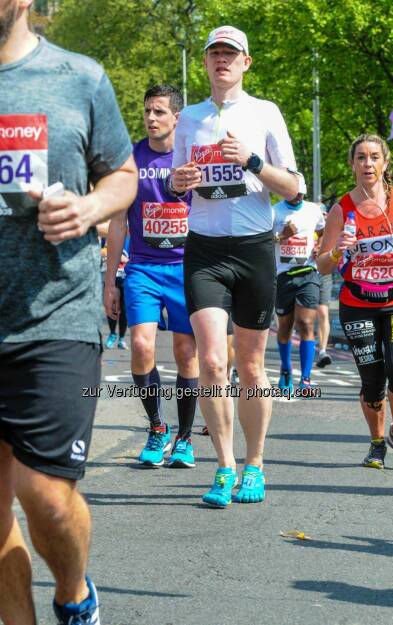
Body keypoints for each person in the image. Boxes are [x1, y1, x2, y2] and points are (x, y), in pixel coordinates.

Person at [0, 3, 137, 624]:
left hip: (54, 311)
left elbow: (124, 176)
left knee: (46, 495)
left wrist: (86, 210)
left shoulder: (78, 78)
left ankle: (75, 594)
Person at [169, 25, 301, 507]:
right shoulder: (189, 118)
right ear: (205, 63)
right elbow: (177, 183)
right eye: (214, 54)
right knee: (211, 359)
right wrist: (178, 182)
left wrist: (250, 161)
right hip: (204, 250)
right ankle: (223, 466)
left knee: (249, 365)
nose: (221, 60)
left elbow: (293, 188)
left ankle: (255, 464)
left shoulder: (264, 112)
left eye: (231, 53)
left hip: (254, 249)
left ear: (246, 62)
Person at [105, 85, 199, 469]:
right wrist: (110, 279)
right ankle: (157, 427)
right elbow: (117, 223)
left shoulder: (193, 157)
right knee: (141, 345)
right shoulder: (130, 157)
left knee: (185, 353)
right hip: (143, 267)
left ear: (177, 116)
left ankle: (186, 438)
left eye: (160, 111)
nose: (151, 118)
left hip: (186, 267)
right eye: (147, 111)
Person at [317, 133, 393, 470]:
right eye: (361, 157)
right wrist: (338, 251)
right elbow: (322, 264)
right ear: (352, 165)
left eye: (374, 157)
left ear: (385, 163)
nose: (368, 163)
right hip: (358, 302)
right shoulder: (341, 209)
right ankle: (376, 443)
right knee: (373, 381)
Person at [273, 183, 325, 392]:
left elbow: (323, 232)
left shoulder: (313, 210)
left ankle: (305, 378)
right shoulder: (274, 211)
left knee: (305, 323)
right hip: (283, 275)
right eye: (292, 192)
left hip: (308, 273)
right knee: (284, 328)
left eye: (300, 192)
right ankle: (285, 370)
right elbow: (260, 241)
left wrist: (321, 245)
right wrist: (281, 236)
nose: (296, 196)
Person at [104, 236, 129, 349]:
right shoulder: (112, 235)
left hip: (127, 278)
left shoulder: (133, 237)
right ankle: (112, 334)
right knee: (112, 307)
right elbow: (103, 252)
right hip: (113, 278)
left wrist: (127, 260)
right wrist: (116, 256)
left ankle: (122, 338)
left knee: (124, 310)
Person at [315, 205, 333, 368]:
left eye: (324, 214)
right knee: (302, 317)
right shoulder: (308, 228)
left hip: (324, 274)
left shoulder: (332, 230)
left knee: (323, 311)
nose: (322, 217)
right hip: (306, 272)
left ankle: (322, 350)